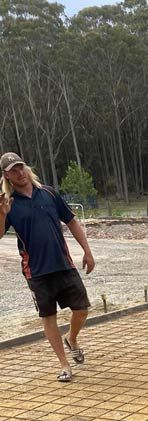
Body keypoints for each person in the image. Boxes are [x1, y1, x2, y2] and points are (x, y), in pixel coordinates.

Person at [0, 152, 95, 383]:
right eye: (13, 170)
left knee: (82, 309)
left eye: (21, 167)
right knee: (48, 317)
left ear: (26, 167)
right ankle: (64, 365)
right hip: (36, 270)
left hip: (63, 263)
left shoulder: (49, 193)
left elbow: (71, 220)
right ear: (7, 175)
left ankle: (72, 338)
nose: (20, 172)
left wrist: (88, 252)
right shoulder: (8, 202)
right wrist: (2, 215)